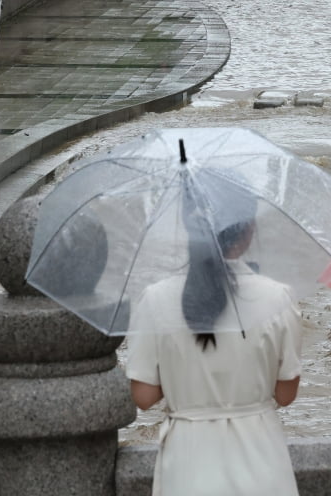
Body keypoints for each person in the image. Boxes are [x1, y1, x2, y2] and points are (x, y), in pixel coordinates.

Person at [127, 199, 303, 496]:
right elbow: (285, 394)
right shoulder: (278, 298)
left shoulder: (155, 299)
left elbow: (143, 396)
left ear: (190, 229)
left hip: (187, 463)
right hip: (261, 459)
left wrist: (183, 375)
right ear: (248, 230)